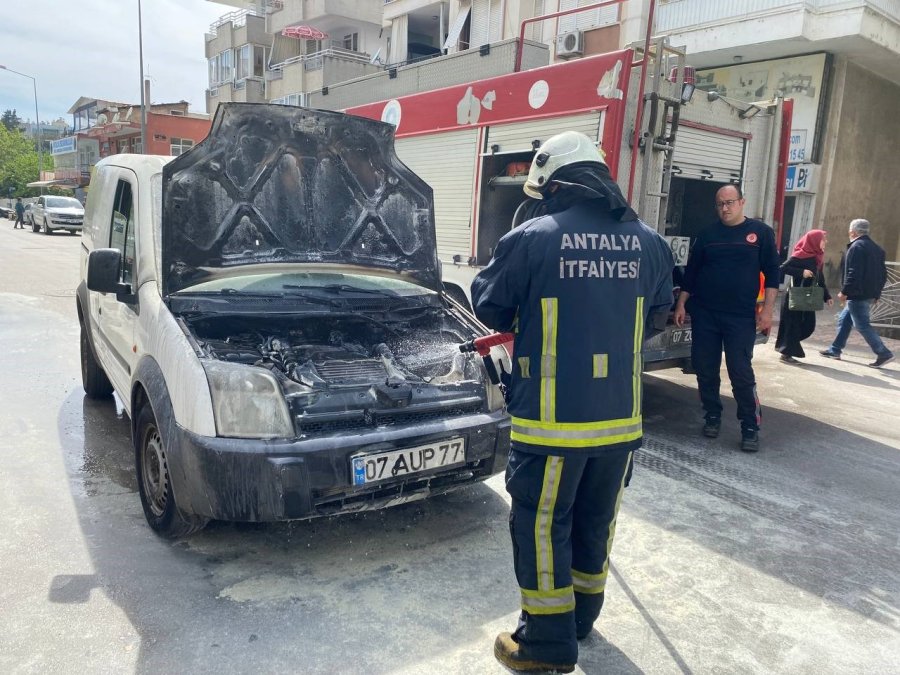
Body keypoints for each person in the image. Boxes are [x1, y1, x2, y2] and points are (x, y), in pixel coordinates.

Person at [471, 131, 674, 673]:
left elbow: (489, 306)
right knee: (596, 521)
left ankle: (544, 643)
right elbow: (657, 315)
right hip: (620, 421)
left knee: (540, 524)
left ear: (555, 183)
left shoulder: (533, 238)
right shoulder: (650, 243)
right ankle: (581, 620)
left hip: (553, 424)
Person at [673, 184, 780, 452]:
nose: (725, 208)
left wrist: (767, 311)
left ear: (742, 202)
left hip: (740, 316)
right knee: (704, 369)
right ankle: (712, 415)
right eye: (720, 204)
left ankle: (750, 426)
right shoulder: (708, 235)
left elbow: (773, 276)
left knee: (740, 372)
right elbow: (692, 274)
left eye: (730, 202)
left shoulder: (760, 233)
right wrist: (681, 304)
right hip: (705, 313)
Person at [820, 219, 894, 368]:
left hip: (857, 293)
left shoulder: (856, 247)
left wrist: (844, 291)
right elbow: (883, 274)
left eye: (849, 231)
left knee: (862, 325)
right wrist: (877, 293)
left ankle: (883, 352)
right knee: (844, 319)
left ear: (852, 232)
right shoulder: (877, 249)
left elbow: (853, 273)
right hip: (868, 292)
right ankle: (835, 349)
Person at [775, 229, 833, 363]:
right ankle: (786, 352)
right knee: (792, 324)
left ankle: (789, 344)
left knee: (809, 325)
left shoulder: (817, 257)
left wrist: (827, 296)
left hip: (808, 297)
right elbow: (782, 269)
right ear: (814, 241)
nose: (826, 242)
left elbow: (820, 278)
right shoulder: (800, 255)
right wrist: (801, 272)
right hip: (795, 295)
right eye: (823, 239)